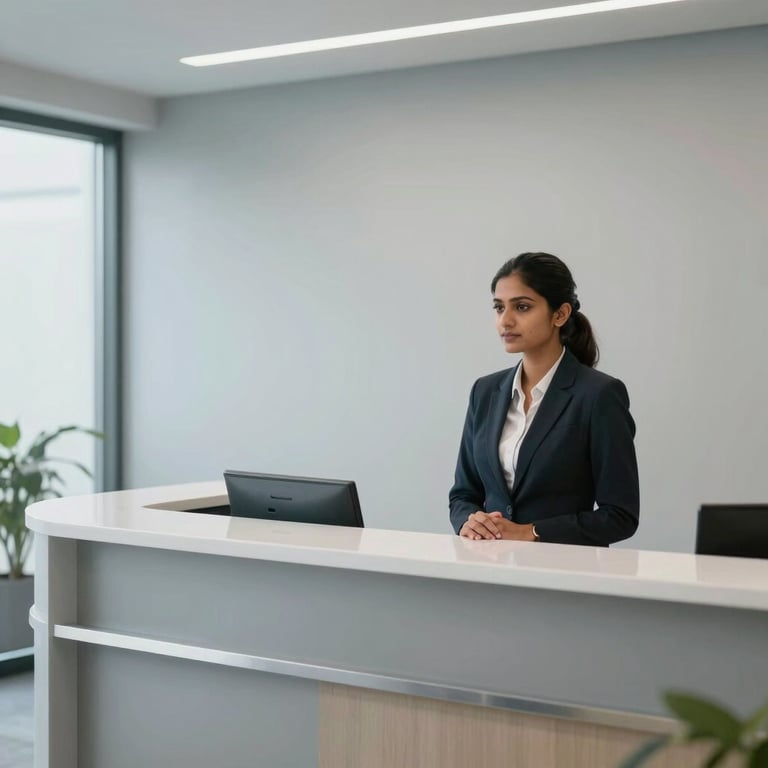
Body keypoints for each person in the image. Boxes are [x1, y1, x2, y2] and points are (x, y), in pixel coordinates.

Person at [449, 252, 639, 546]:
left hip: (563, 575)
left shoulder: (598, 395)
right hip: (488, 570)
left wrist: (532, 532)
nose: (506, 320)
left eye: (522, 307)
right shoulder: (484, 392)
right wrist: (469, 520)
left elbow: (620, 515)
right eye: (499, 308)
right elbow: (464, 494)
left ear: (560, 314)